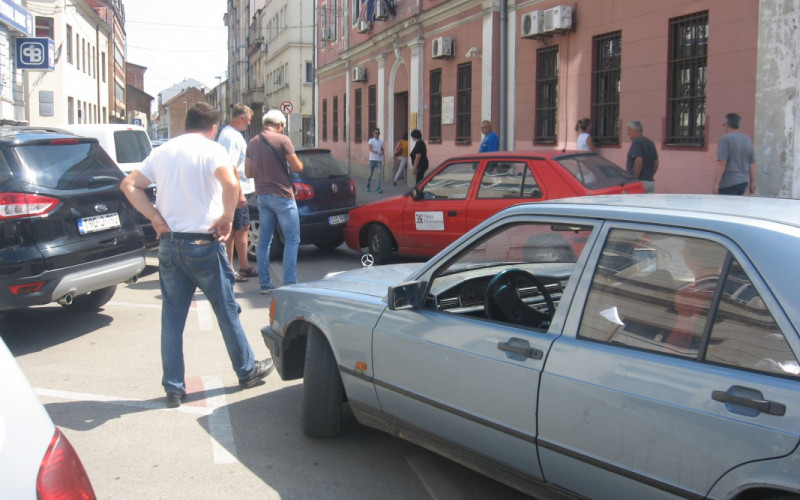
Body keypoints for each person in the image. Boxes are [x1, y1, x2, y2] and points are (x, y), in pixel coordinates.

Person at [120, 102, 273, 408]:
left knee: (172, 320)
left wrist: (154, 216)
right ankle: (245, 370)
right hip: (204, 243)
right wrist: (227, 218)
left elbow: (129, 184)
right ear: (213, 127)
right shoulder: (211, 149)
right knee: (226, 310)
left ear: (187, 123)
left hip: (170, 245)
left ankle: (174, 387)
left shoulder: (163, 151)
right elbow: (231, 184)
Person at [245, 109, 304, 294]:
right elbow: (297, 167)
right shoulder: (283, 140)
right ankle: (289, 283)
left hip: (262, 196)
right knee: (292, 239)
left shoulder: (253, 142)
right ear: (279, 125)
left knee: (264, 241)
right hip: (282, 196)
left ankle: (265, 284)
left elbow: (248, 173)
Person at [217, 104, 257, 283]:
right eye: (248, 119)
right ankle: (229, 269)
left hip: (241, 190)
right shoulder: (230, 136)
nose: (249, 123)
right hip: (235, 191)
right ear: (241, 117)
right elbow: (231, 166)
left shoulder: (232, 134)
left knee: (243, 227)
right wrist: (239, 193)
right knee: (232, 230)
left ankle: (244, 266)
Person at [714, 113, 756, 195]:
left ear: (727, 125)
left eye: (723, 124)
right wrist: (753, 182)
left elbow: (722, 163)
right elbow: (752, 163)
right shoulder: (747, 140)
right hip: (743, 182)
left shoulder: (725, 139)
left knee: (725, 206)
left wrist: (716, 183)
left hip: (728, 182)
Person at [626, 120, 659, 193]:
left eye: (629, 130)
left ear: (636, 130)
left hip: (639, 182)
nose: (628, 133)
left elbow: (639, 161)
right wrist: (649, 175)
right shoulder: (650, 143)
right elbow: (656, 163)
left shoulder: (636, 142)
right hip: (650, 182)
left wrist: (634, 179)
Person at [367, 128, 384, 193]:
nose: (377, 134)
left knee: (379, 174)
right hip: (372, 160)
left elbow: (382, 149)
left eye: (378, 133)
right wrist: (374, 151)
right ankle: (368, 185)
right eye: (376, 133)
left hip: (379, 160)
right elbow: (370, 148)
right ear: (373, 133)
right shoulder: (371, 140)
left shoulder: (381, 141)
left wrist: (382, 152)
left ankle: (378, 188)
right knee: (370, 174)